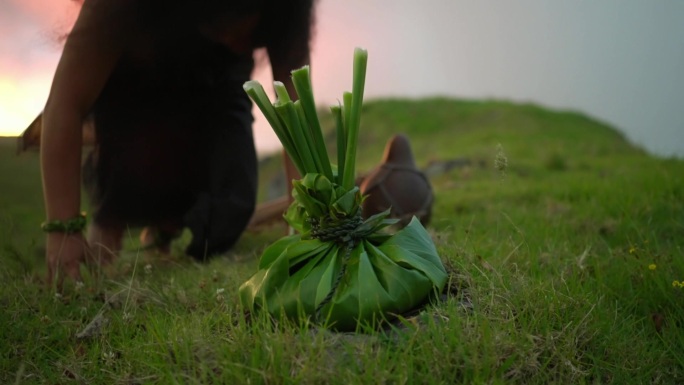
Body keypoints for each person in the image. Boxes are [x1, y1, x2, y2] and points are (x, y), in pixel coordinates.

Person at [41, 0, 316, 285]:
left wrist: (309, 221)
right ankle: (114, 216)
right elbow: (66, 103)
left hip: (224, 73)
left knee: (231, 206)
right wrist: (63, 230)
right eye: (229, 28)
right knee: (137, 168)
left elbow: (296, 111)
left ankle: (169, 222)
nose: (241, 37)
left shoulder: (286, 11)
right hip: (140, 66)